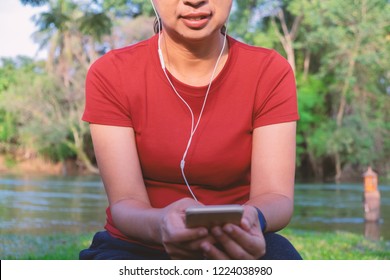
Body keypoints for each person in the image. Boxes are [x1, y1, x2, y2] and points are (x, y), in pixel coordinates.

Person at [79, 0, 301, 260]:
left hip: (239, 241)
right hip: (135, 246)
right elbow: (125, 202)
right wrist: (162, 222)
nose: (195, 1)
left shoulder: (269, 72)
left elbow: (275, 196)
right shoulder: (111, 74)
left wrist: (251, 218)